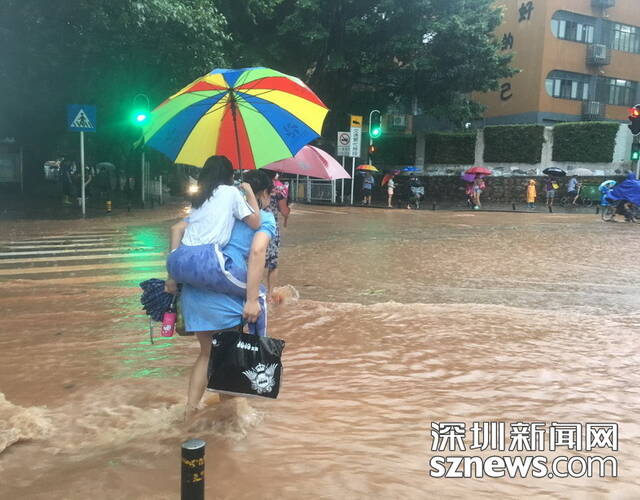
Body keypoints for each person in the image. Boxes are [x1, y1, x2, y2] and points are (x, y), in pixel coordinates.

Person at [170, 170, 277, 422]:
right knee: (229, 357)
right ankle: (229, 425)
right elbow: (258, 251)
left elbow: (177, 229)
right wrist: (252, 299)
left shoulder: (211, 212)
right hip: (226, 295)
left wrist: (171, 278)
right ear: (263, 194)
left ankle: (189, 414)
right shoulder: (265, 219)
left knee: (206, 354)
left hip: (195, 292)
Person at [263, 171, 290, 303]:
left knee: (252, 261)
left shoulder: (252, 184)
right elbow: (284, 211)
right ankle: (269, 295)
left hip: (252, 227)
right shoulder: (279, 188)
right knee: (272, 263)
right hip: (271, 229)